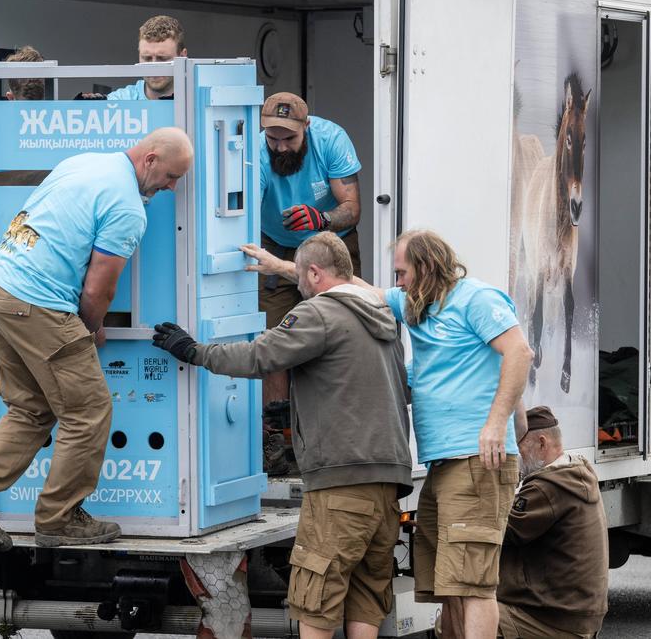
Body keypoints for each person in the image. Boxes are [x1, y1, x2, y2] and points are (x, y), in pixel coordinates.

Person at [245, 229, 533, 639]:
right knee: (448, 586)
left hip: (477, 457)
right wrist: (283, 267)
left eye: (401, 272)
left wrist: (495, 424)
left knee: (473, 585)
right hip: (445, 464)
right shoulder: (417, 304)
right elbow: (349, 287)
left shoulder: (477, 299)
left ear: (426, 266)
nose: (396, 282)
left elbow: (520, 352)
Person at [0, 127, 194, 550]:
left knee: (33, 407)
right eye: (170, 176)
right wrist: (90, 327)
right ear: (149, 159)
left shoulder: (84, 162)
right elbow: (98, 291)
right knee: (88, 410)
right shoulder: (128, 207)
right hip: (37, 304)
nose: (172, 187)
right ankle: (59, 519)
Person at [151, 232, 412, 639]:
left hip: (341, 482)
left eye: (300, 281)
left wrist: (193, 351)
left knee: (316, 595)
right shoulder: (384, 318)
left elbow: (260, 355)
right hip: (388, 480)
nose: (299, 290)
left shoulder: (320, 313)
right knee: (367, 593)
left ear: (314, 273)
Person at [256, 92, 363, 450]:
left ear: (307, 127)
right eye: (274, 139)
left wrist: (323, 218)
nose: (282, 147)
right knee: (275, 339)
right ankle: (279, 438)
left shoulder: (331, 139)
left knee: (343, 332)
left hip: (333, 242)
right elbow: (243, 204)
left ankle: (341, 434)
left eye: (290, 138)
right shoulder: (254, 151)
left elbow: (351, 207)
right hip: (277, 244)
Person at [497, 406, 607, 639]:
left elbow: (501, 530)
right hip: (579, 617)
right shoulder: (575, 472)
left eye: (518, 446)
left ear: (542, 443)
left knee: (461, 619)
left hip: (553, 620)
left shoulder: (548, 486)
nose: (514, 454)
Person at [106, 15, 186, 101]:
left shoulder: (198, 99)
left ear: (182, 56)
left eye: (162, 58)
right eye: (147, 58)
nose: (153, 68)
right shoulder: (120, 100)